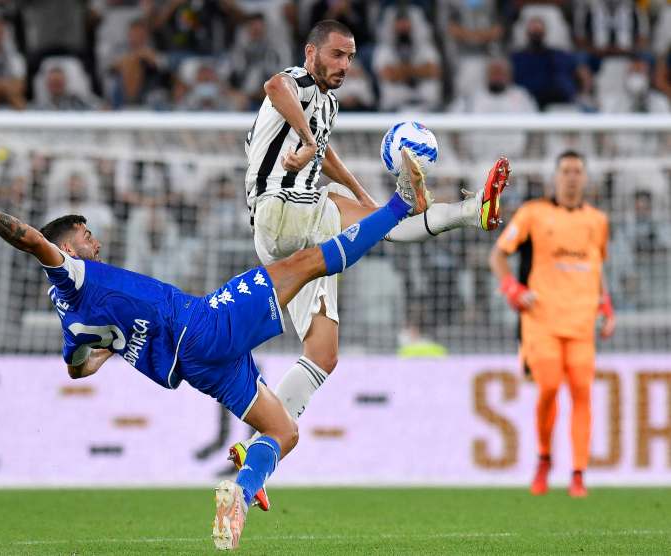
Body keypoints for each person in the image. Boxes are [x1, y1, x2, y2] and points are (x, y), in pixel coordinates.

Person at [0, 148, 428, 550]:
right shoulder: (71, 273)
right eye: (86, 235)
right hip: (203, 326)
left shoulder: (71, 316)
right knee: (307, 261)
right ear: (67, 246)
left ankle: (241, 490)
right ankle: (401, 205)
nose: (95, 241)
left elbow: (76, 370)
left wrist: (113, 348)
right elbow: (31, 240)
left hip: (193, 365)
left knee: (283, 431)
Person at [237, 18, 511, 510]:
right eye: (337, 55)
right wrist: (302, 141)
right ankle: (455, 208)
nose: (345, 65)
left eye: (351, 57)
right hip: (282, 205)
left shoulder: (330, 104)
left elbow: (326, 153)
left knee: (323, 354)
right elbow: (274, 87)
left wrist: (362, 193)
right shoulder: (297, 82)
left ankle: (256, 452)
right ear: (312, 51)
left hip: (286, 234)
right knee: (384, 218)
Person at [489, 150, 616, 498]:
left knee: (582, 394)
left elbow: (597, 265)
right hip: (540, 320)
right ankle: (544, 458)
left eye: (577, 171)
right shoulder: (533, 213)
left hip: (581, 322)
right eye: (565, 171)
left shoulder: (597, 221)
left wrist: (606, 304)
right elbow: (498, 253)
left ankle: (578, 473)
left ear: (585, 177)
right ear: (555, 177)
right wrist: (512, 288)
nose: (572, 177)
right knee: (547, 388)